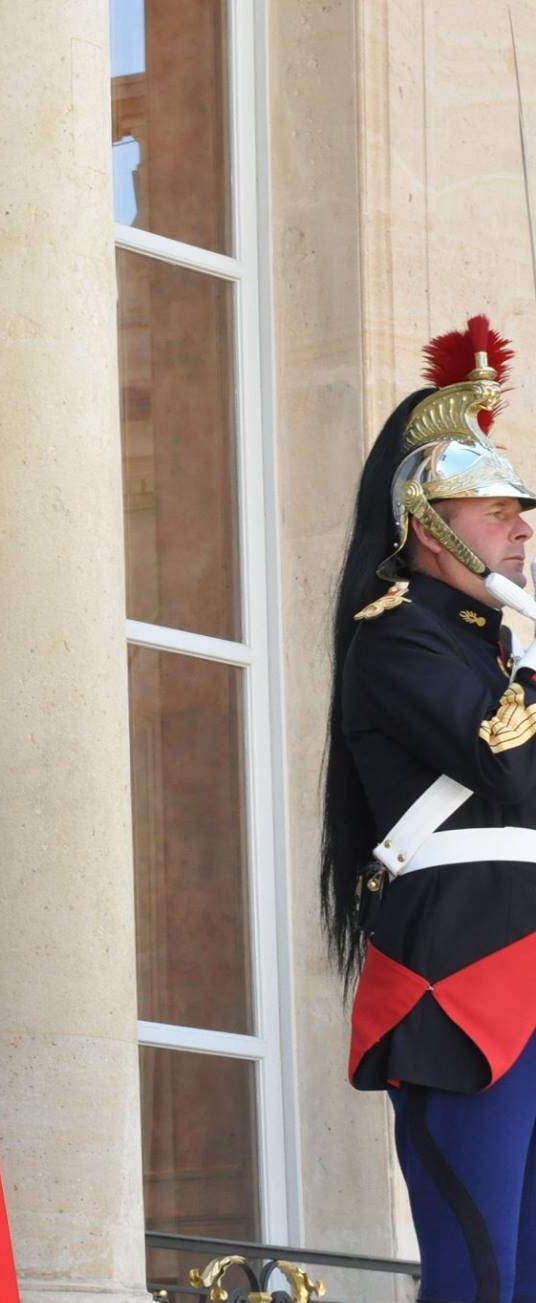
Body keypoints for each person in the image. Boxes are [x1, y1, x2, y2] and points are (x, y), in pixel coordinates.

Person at [322, 314, 536, 1303]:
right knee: (477, 1275)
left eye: (517, 511)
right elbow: (509, 770)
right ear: (426, 524)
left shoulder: (501, 649)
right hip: (461, 983)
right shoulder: (399, 635)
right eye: (493, 510)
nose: (519, 527)